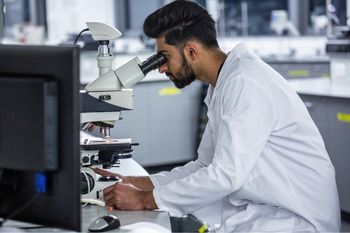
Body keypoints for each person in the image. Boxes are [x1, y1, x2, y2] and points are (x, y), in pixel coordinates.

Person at [94, 0, 341, 231]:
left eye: (164, 56)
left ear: (191, 50)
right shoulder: (224, 82)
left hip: (295, 221)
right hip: (264, 212)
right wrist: (140, 183)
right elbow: (205, 165)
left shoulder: (245, 82)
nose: (160, 67)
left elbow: (225, 175)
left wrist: (145, 200)